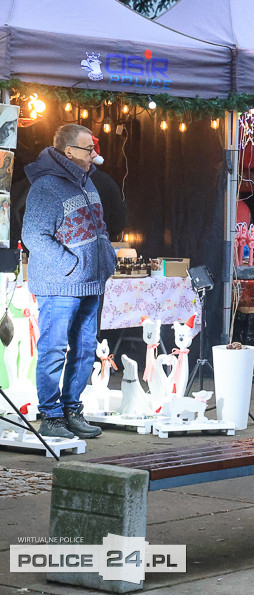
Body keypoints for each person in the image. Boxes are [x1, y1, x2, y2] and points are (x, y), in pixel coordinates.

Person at [24, 123, 117, 439]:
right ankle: (51, 417)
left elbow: (98, 227)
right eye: (88, 149)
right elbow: (34, 235)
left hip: (90, 282)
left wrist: (105, 256)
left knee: (84, 347)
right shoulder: (46, 186)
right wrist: (71, 264)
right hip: (60, 284)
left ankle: (71, 409)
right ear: (69, 152)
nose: (94, 154)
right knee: (54, 348)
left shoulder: (87, 183)